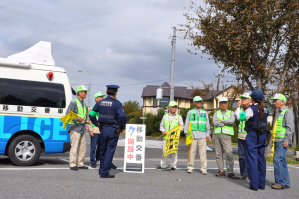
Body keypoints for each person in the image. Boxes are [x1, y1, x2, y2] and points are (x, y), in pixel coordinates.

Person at [89, 85, 127, 178]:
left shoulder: (100, 103)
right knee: (109, 151)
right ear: (115, 93)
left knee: (102, 150)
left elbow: (91, 114)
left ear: (106, 92)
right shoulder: (117, 103)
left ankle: (101, 169)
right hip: (113, 130)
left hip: (102, 129)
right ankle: (104, 172)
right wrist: (121, 127)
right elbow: (122, 116)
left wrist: (97, 124)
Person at [245, 89, 269, 191]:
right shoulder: (266, 109)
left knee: (252, 160)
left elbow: (241, 117)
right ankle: (261, 184)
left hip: (253, 136)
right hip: (262, 136)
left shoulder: (251, 109)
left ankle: (254, 185)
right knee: (261, 160)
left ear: (252, 98)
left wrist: (238, 108)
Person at [269, 94, 294, 190]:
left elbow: (290, 128)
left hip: (282, 141)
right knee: (282, 161)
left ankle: (280, 183)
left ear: (282, 102)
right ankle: (286, 182)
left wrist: (286, 140)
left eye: (276, 101)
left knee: (277, 160)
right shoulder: (280, 112)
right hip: (278, 140)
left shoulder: (288, 112)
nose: (274, 103)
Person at [66, 85, 91, 171]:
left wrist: (87, 120)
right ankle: (73, 164)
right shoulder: (74, 102)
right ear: (79, 92)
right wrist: (77, 118)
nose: (86, 94)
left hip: (82, 128)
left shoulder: (84, 104)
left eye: (86, 92)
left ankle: (80, 163)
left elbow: (86, 116)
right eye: (84, 92)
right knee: (75, 147)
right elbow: (68, 114)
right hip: (75, 127)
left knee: (83, 147)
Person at [184, 96, 210, 175]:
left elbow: (207, 124)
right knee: (192, 152)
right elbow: (187, 123)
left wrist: (208, 134)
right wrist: (186, 134)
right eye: (198, 101)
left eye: (200, 101)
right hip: (192, 135)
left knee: (203, 153)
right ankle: (190, 167)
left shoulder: (205, 113)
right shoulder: (190, 112)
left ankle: (204, 168)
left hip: (202, 136)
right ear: (194, 103)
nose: (199, 103)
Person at [213, 97, 237, 179]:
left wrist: (221, 121)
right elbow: (215, 123)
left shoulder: (231, 113)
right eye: (221, 103)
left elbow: (232, 121)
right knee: (218, 154)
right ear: (219, 104)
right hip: (217, 134)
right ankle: (221, 171)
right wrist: (225, 123)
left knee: (229, 154)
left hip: (226, 135)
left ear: (227, 104)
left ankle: (230, 172)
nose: (223, 104)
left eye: (225, 103)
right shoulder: (216, 113)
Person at [156, 101, 184, 172]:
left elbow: (182, 127)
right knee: (165, 152)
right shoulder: (165, 116)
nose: (175, 109)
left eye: (176, 107)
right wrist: (163, 131)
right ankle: (163, 165)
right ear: (169, 108)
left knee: (174, 152)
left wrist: (177, 130)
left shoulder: (179, 117)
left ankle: (173, 166)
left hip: (174, 138)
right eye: (173, 107)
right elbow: (161, 126)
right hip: (166, 137)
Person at [88, 92, 106, 168]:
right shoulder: (91, 108)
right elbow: (89, 120)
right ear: (96, 98)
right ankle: (93, 161)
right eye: (100, 97)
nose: (102, 98)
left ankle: (98, 159)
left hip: (102, 130)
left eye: (102, 97)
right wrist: (90, 130)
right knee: (93, 147)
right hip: (94, 129)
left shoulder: (104, 108)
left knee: (101, 146)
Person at [235, 93, 251, 180]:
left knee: (248, 156)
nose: (242, 100)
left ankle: (248, 173)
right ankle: (243, 174)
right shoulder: (241, 109)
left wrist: (238, 108)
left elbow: (239, 118)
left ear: (249, 100)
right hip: (240, 135)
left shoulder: (250, 109)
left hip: (248, 135)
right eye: (242, 99)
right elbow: (237, 117)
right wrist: (239, 108)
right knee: (241, 155)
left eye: (245, 99)